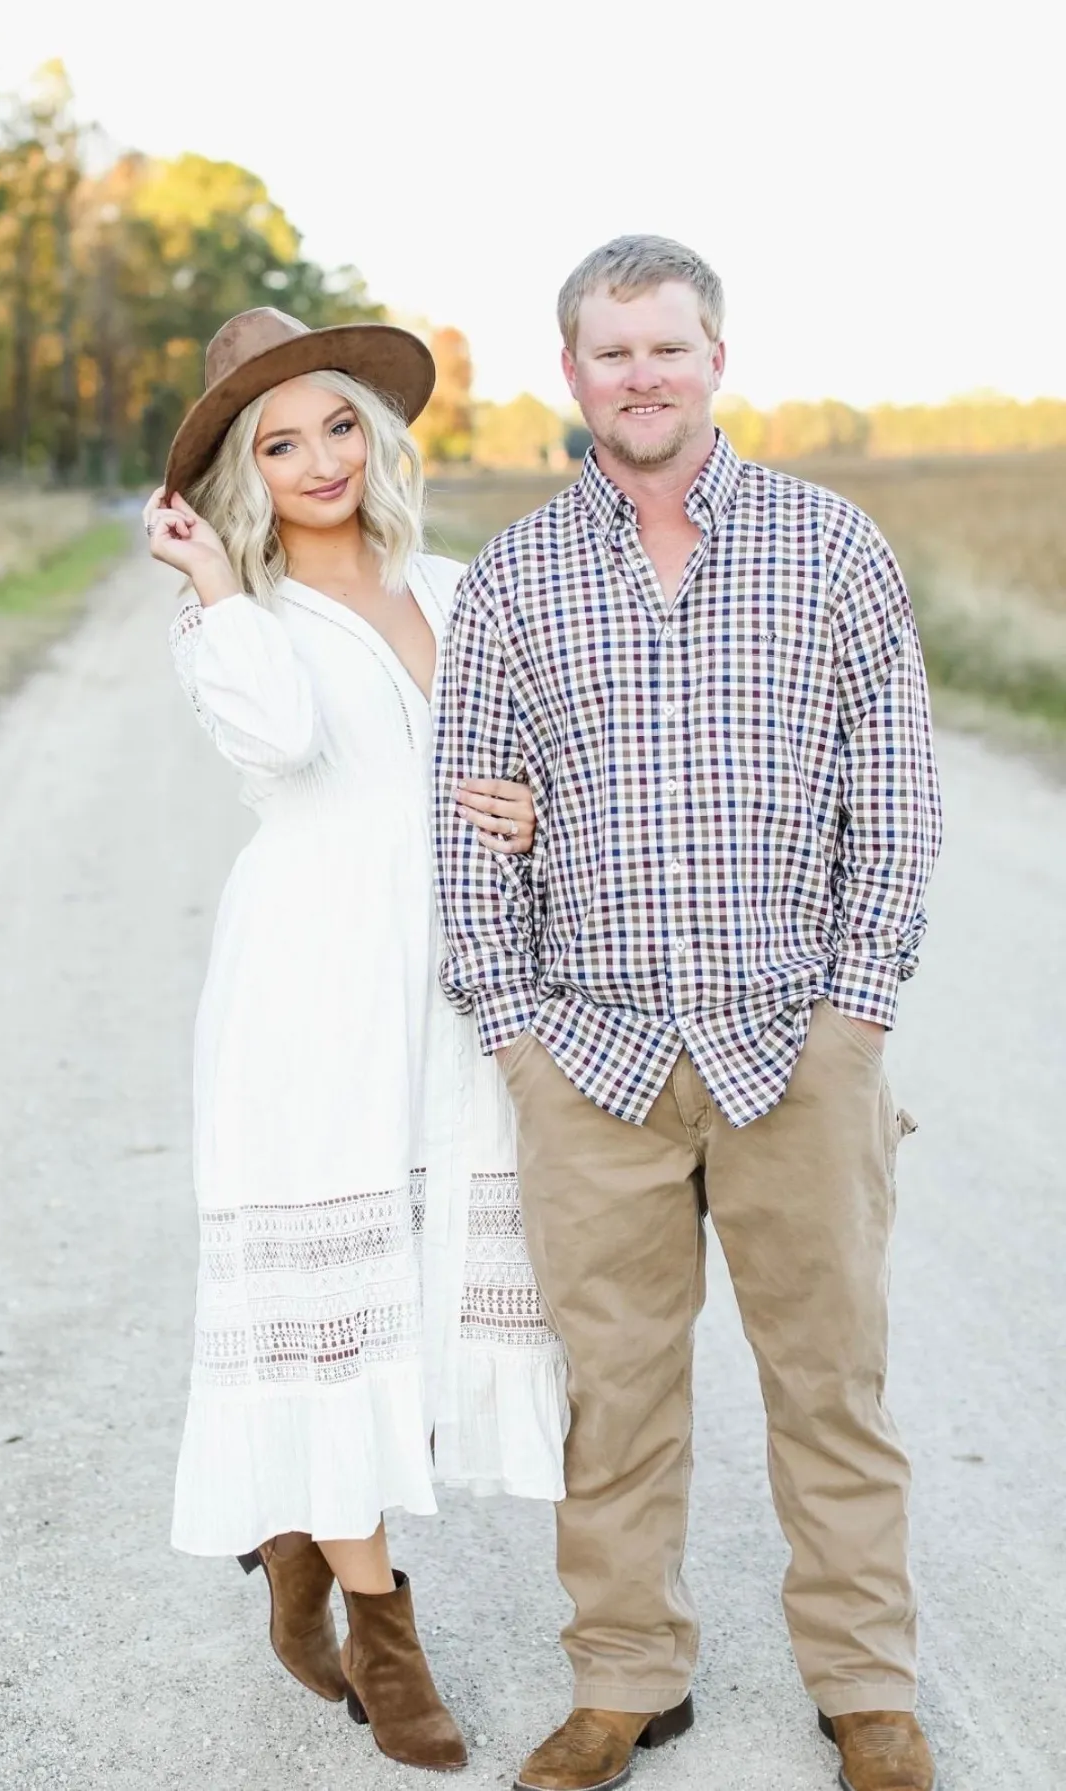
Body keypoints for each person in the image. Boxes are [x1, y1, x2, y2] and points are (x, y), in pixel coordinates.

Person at [434, 237, 942, 1791]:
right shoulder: (517, 577)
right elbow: (464, 828)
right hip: (592, 1059)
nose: (639, 375)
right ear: (571, 373)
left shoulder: (832, 548)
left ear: (715, 356)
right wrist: (514, 1034)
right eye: (610, 351)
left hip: (800, 1045)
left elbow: (899, 803)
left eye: (666, 346)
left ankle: (867, 1686)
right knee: (619, 1399)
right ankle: (625, 1679)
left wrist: (856, 1019)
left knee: (831, 1386)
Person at [144, 306, 566, 1774]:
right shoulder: (232, 616)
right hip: (309, 983)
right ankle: (384, 1633)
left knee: (424, 1293)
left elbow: (509, 768)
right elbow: (275, 745)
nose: (318, 459)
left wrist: (524, 810)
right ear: (240, 477)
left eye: (336, 425)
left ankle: (301, 1535)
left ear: (373, 437)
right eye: (277, 442)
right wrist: (212, 583)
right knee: (337, 1303)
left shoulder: (449, 581)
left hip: (449, 981)